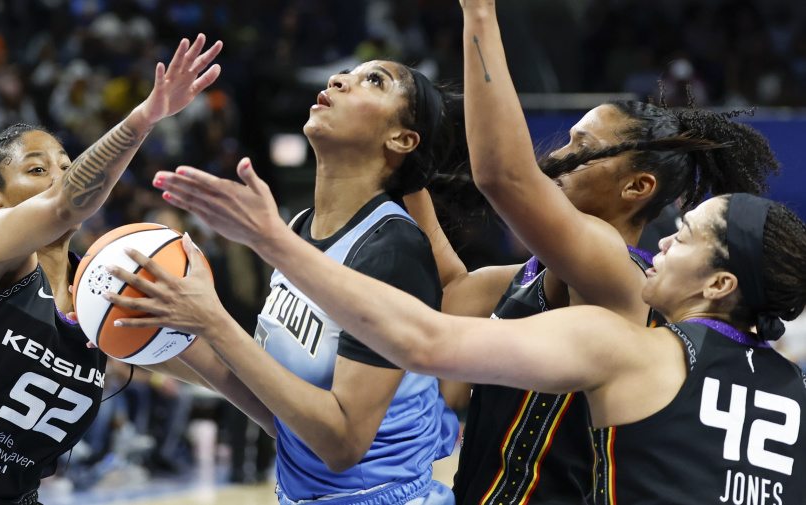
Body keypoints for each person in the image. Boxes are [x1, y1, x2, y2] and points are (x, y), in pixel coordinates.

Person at [138, 163, 806, 504]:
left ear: (719, 284)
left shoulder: (632, 345)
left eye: (685, 239)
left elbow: (426, 340)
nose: (663, 244)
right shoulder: (795, 387)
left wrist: (269, 240)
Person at [397, 3, 778, 504]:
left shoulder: (622, 276)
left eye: (583, 146)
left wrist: (481, 15)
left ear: (636, 186)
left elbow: (505, 177)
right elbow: (446, 292)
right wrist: (405, 170)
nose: (557, 157)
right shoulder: (529, 275)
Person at [106, 60, 466, 505]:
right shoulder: (297, 229)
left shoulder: (392, 249)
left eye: (374, 80)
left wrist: (213, 320)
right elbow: (277, 410)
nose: (338, 79)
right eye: (346, 73)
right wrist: (135, 330)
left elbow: (341, 445)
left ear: (401, 139)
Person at [0, 34, 223, 505]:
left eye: (66, 166)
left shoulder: (100, 295)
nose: (59, 177)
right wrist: (146, 116)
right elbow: (64, 205)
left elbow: (218, 371)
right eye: (37, 170)